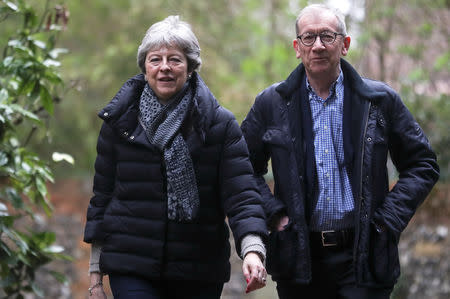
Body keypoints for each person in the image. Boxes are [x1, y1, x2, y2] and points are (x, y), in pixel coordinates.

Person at [241, 4, 439, 299]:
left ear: (344, 44)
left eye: (327, 36)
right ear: (297, 47)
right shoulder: (272, 103)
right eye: (308, 38)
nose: (318, 45)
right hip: (299, 258)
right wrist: (274, 215)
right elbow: (242, 167)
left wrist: (386, 220)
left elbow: (423, 164)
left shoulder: (379, 100)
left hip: (364, 258)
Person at [83, 15, 268, 299]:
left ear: (191, 67)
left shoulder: (219, 125)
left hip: (198, 268)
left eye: (175, 59)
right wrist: (96, 273)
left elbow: (241, 193)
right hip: (131, 264)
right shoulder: (120, 123)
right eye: (155, 59)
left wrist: (253, 249)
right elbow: (102, 199)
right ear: (145, 67)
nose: (165, 68)